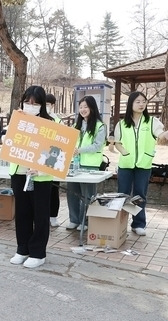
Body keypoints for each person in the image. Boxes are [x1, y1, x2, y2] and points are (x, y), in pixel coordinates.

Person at [9, 85, 54, 269]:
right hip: (19, 173)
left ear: (42, 105)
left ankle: (38, 252)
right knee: (22, 213)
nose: (30, 106)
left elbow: (57, 155)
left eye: (35, 103)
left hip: (40, 177)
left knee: (40, 215)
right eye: (27, 102)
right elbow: (9, 142)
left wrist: (41, 169)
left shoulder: (51, 123)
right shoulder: (18, 120)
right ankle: (22, 248)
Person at [113, 91, 168, 236]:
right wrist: (125, 152)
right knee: (123, 195)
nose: (141, 104)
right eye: (137, 101)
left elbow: (161, 136)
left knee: (140, 195)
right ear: (131, 104)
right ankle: (120, 224)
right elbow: (117, 143)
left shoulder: (151, 122)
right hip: (125, 164)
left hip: (144, 165)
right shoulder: (122, 124)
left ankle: (138, 224)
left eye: (144, 101)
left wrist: (165, 134)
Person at [65, 96, 107, 231]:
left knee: (87, 195)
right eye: (81, 107)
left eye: (86, 107)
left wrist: (79, 150)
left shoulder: (100, 126)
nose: (83, 110)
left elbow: (97, 146)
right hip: (74, 164)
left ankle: (86, 221)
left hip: (90, 165)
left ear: (92, 108)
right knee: (71, 192)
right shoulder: (75, 125)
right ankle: (74, 219)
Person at [46, 94, 62, 227]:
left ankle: (53, 216)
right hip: (39, 158)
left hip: (53, 160)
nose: (46, 106)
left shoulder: (58, 120)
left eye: (48, 104)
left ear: (52, 105)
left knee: (53, 189)